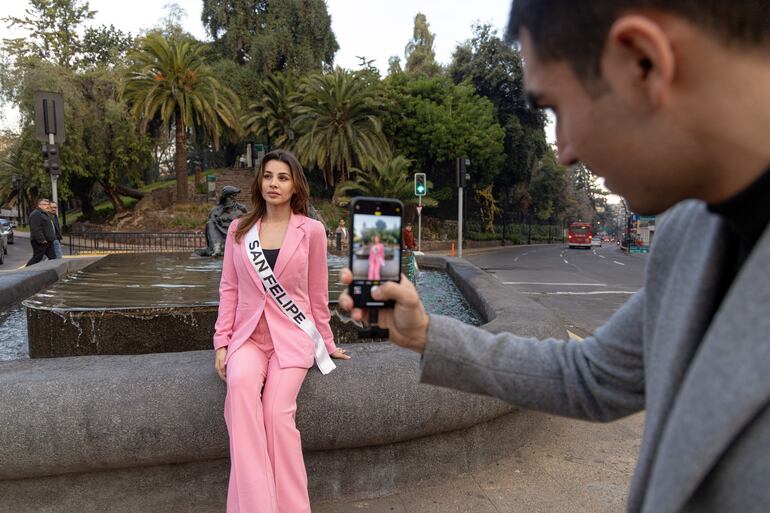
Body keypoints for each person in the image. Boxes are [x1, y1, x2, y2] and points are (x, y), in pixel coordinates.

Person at [339, 2, 770, 512]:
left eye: (557, 108)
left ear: (643, 63)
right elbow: (593, 376)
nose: (563, 150)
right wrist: (425, 335)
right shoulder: (690, 230)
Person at [213, 149, 350, 513]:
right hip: (248, 339)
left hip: (291, 338)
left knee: (276, 414)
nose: (274, 183)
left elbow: (318, 294)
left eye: (283, 177)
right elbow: (229, 288)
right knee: (240, 393)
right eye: (268, 176)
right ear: (260, 182)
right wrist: (222, 342)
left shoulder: (312, 231)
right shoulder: (238, 230)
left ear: (294, 186)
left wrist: (327, 342)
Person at [25, 198, 55, 266]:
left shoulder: (44, 213)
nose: (47, 206)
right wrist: (42, 240)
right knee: (37, 258)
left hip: (48, 241)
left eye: (48, 204)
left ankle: (53, 272)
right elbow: (36, 228)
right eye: (44, 204)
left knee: (53, 258)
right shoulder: (36, 214)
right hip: (40, 242)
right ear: (39, 205)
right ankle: (26, 270)